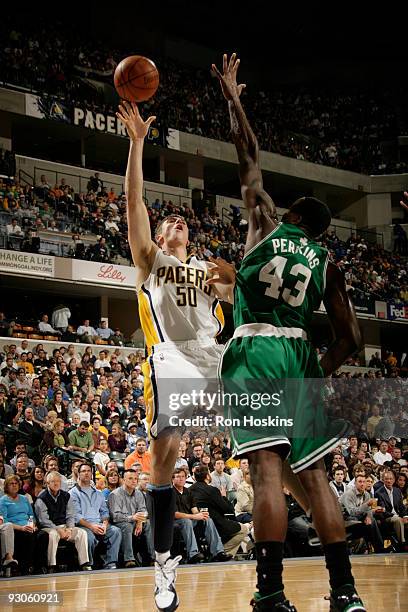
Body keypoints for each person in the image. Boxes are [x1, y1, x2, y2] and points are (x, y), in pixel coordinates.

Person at [212, 53, 364, 611]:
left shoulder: (264, 220)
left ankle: (271, 592)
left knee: (267, 471)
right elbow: (351, 341)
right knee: (317, 477)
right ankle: (345, 592)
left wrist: (233, 98)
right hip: (300, 357)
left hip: (256, 348)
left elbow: (248, 156)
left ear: (292, 210)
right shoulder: (329, 262)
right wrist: (315, 377)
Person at [117, 98, 234, 612]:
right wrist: (138, 143)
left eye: (184, 221)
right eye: (171, 222)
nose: (178, 223)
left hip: (215, 359)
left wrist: (231, 283)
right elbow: (133, 203)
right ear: (162, 238)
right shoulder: (150, 260)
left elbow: (241, 294)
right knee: (164, 458)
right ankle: (164, 567)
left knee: (274, 439)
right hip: (171, 360)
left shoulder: (210, 269)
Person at [189, 465, 251, 557]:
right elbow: (228, 509)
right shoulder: (212, 490)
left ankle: (220, 552)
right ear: (207, 476)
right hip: (216, 523)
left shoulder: (189, 490)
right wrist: (224, 496)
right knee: (244, 529)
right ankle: (221, 552)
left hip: (197, 525)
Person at [35, 471, 91, 571]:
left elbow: (70, 515)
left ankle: (84, 563)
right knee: (53, 535)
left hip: (65, 526)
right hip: (49, 527)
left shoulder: (66, 496)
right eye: (53, 481)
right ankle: (51, 565)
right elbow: (43, 520)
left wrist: (69, 528)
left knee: (82, 533)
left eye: (58, 481)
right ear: (47, 484)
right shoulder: (42, 498)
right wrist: (58, 529)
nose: (56, 484)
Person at [173, 468, 231, 563]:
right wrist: (194, 516)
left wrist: (200, 515)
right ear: (173, 479)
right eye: (178, 477)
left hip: (189, 520)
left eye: (183, 477)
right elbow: (175, 514)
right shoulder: (170, 493)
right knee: (186, 521)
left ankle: (218, 552)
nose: (181, 479)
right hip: (175, 523)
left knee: (207, 519)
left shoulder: (188, 492)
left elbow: (194, 509)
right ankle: (193, 554)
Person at [69, 463, 121, 569]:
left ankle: (110, 563)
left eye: (88, 471)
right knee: (89, 537)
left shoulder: (98, 493)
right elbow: (76, 516)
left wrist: (105, 524)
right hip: (82, 525)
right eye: (83, 471)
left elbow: (104, 512)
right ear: (78, 474)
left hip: (99, 524)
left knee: (115, 531)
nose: (87, 473)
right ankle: (88, 564)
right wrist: (92, 527)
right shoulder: (73, 493)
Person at [108, 469, 152, 567]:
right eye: (130, 478)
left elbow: (143, 510)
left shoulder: (139, 493)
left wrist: (140, 522)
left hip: (136, 521)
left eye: (136, 479)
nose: (134, 481)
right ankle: (129, 559)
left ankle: (152, 558)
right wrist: (133, 518)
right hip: (121, 522)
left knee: (148, 524)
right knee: (127, 526)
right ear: (123, 480)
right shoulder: (115, 494)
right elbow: (115, 517)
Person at [375, 470, 408, 548]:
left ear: (394, 480)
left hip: (397, 515)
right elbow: (383, 510)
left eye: (390, 479)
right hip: (387, 517)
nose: (389, 481)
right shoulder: (379, 493)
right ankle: (402, 544)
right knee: (398, 520)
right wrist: (396, 516)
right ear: (383, 480)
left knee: (404, 519)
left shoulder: (397, 491)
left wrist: (405, 516)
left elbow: (401, 507)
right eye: (386, 479)